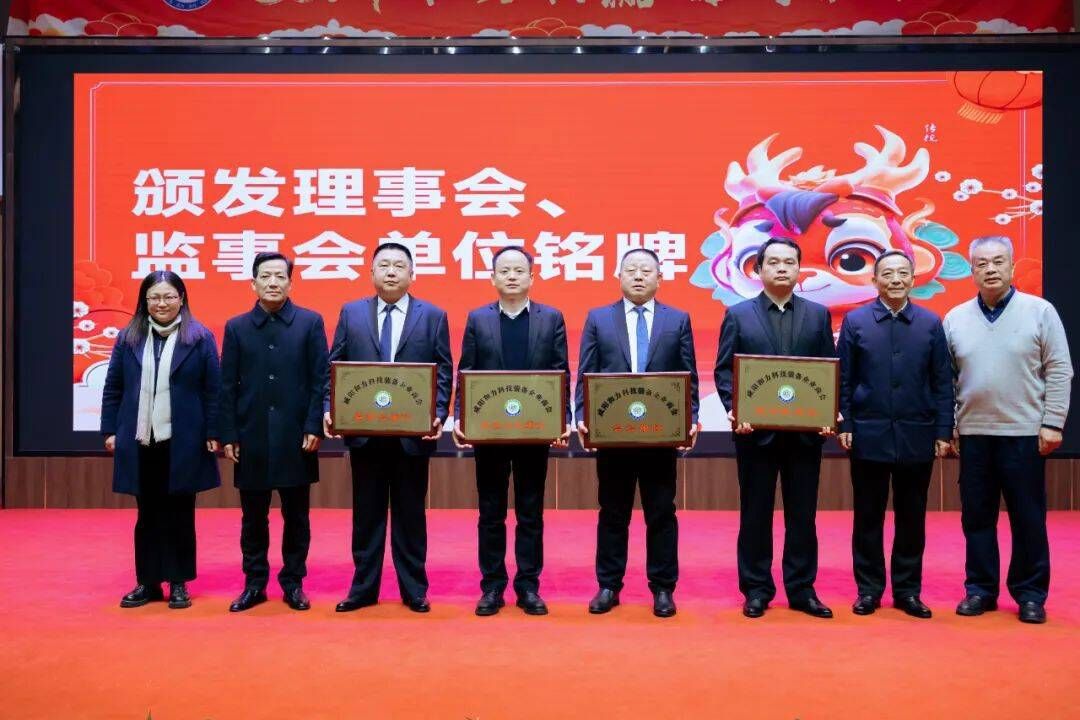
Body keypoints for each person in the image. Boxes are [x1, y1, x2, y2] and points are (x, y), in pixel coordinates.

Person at [944, 235, 1072, 624]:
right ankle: (980, 590)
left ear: (1012, 267)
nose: (990, 269)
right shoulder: (955, 318)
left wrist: (1053, 422)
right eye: (981, 263)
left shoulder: (1040, 311)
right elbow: (946, 380)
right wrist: (950, 426)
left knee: (1028, 518)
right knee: (976, 518)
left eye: (998, 261)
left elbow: (1060, 369)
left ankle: (1030, 594)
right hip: (974, 435)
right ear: (971, 270)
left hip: (1025, 433)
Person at [324, 242, 453, 613]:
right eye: (384, 265)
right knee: (367, 515)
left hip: (413, 435)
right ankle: (363, 589)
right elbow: (335, 367)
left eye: (399, 265)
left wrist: (438, 413)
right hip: (365, 433)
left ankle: (414, 590)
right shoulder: (351, 313)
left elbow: (443, 369)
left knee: (411, 515)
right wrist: (331, 408)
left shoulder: (433, 316)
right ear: (372, 273)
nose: (391, 271)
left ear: (412, 274)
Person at [714, 238, 837, 619]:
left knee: (803, 515)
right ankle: (756, 589)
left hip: (804, 435)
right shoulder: (739, 315)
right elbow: (724, 371)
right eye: (774, 262)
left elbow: (829, 369)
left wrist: (827, 412)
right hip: (755, 434)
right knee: (755, 514)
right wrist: (736, 410)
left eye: (789, 262)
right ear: (759, 269)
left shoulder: (818, 315)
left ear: (799, 269)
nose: (782, 268)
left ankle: (802, 589)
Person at [576, 248, 699, 618]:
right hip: (613, 435)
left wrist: (691, 418)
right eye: (631, 270)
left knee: (661, 512)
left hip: (660, 436)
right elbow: (586, 373)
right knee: (613, 512)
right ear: (619, 276)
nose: (639, 276)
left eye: (647, 271)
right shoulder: (599, 318)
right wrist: (582, 417)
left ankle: (662, 588)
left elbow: (689, 376)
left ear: (660, 278)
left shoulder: (677, 319)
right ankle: (608, 586)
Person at [452, 246, 572, 617]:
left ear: (531, 277)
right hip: (490, 432)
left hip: (534, 432)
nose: (512, 276)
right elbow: (466, 371)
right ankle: (492, 587)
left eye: (519, 270)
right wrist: (460, 418)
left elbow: (561, 372)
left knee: (530, 513)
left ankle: (528, 587)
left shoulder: (551, 318)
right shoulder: (478, 319)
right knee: (490, 513)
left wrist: (562, 419)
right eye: (504, 271)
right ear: (493, 278)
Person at [837, 250, 953, 619]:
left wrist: (943, 430)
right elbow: (843, 379)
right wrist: (845, 424)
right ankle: (869, 590)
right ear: (874, 281)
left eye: (903, 273)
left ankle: (907, 591)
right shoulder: (856, 322)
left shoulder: (930, 323)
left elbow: (942, 382)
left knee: (912, 517)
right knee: (867, 517)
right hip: (868, 434)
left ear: (913, 279)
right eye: (887, 273)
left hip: (917, 434)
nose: (896, 279)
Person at [102, 271, 221, 610]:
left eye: (169, 296)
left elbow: (213, 390)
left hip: (184, 439)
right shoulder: (129, 337)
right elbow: (114, 386)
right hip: (141, 439)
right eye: (155, 297)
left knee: (180, 513)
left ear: (182, 299)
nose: (162, 303)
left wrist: (213, 433)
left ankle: (179, 582)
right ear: (145, 301)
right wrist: (110, 430)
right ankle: (148, 582)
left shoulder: (199, 337)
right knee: (148, 514)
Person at [220, 252, 329, 613]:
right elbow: (227, 386)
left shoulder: (310, 323)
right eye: (265, 276)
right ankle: (254, 583)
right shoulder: (236, 327)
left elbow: (320, 380)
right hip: (250, 436)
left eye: (280, 276)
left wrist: (314, 425)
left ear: (290, 283)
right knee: (253, 517)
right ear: (253, 283)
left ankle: (293, 583)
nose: (272, 282)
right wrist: (229, 433)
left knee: (296, 516)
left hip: (296, 437)